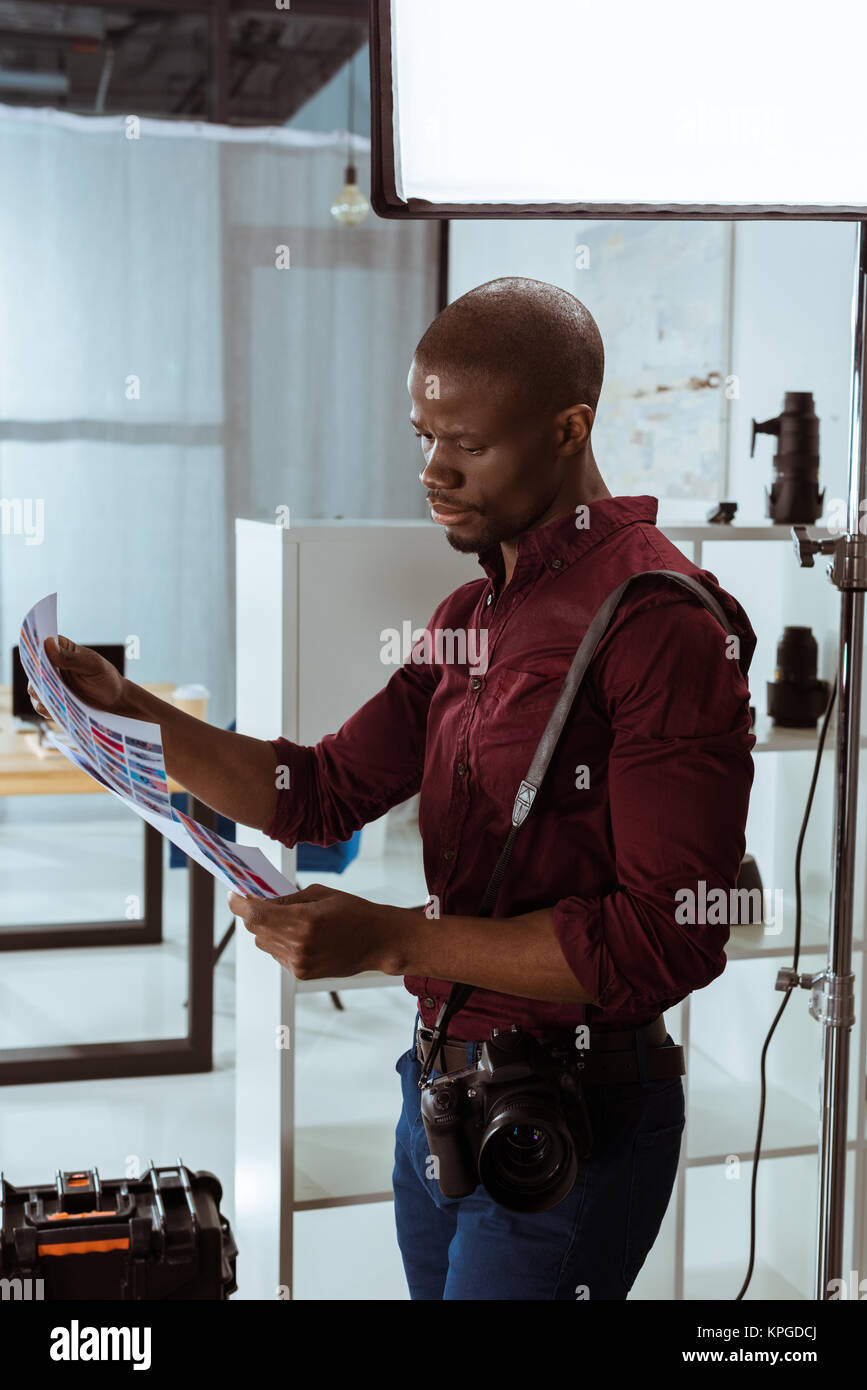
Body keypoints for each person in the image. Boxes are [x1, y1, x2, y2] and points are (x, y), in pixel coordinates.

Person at [29, 277, 756, 1301]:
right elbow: (316, 790)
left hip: (571, 1121)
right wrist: (128, 708)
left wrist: (394, 938)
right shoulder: (474, 609)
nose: (433, 471)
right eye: (423, 434)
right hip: (442, 1099)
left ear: (568, 428)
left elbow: (667, 936)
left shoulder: (660, 622)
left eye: (467, 443)